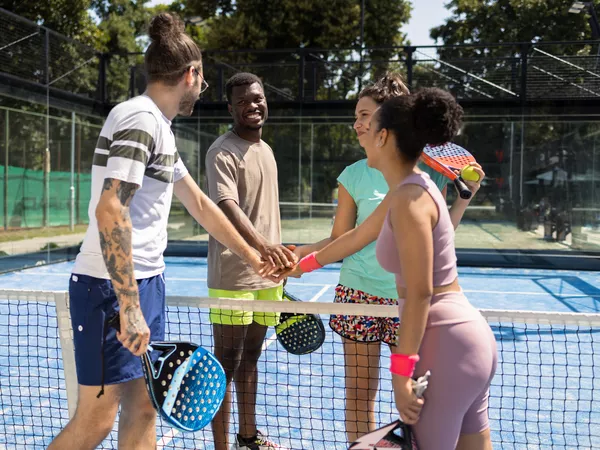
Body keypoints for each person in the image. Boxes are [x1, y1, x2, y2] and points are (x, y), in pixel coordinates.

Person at [47, 14, 272, 450]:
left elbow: (202, 206)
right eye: (202, 81)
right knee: (96, 420)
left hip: (146, 283)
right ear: (191, 75)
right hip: (109, 290)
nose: (201, 89)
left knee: (146, 406)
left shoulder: (161, 129)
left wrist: (254, 256)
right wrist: (129, 305)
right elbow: (111, 210)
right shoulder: (138, 119)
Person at [289, 73, 485, 444]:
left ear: (387, 129)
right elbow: (350, 238)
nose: (358, 124)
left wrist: (463, 197)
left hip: (412, 306)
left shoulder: (416, 185)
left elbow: (432, 257)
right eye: (356, 115)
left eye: (367, 115)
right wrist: (302, 261)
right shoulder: (366, 178)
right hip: (362, 298)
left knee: (415, 406)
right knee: (363, 398)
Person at [205, 72, 295, 450]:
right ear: (230, 109)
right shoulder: (220, 151)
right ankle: (222, 447)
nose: (252, 106)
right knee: (224, 366)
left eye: (256, 98)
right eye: (242, 102)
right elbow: (228, 207)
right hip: (233, 278)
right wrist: (263, 247)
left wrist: (280, 252)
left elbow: (264, 213)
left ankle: (248, 438)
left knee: (252, 359)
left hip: (269, 278)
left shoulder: (268, 150)